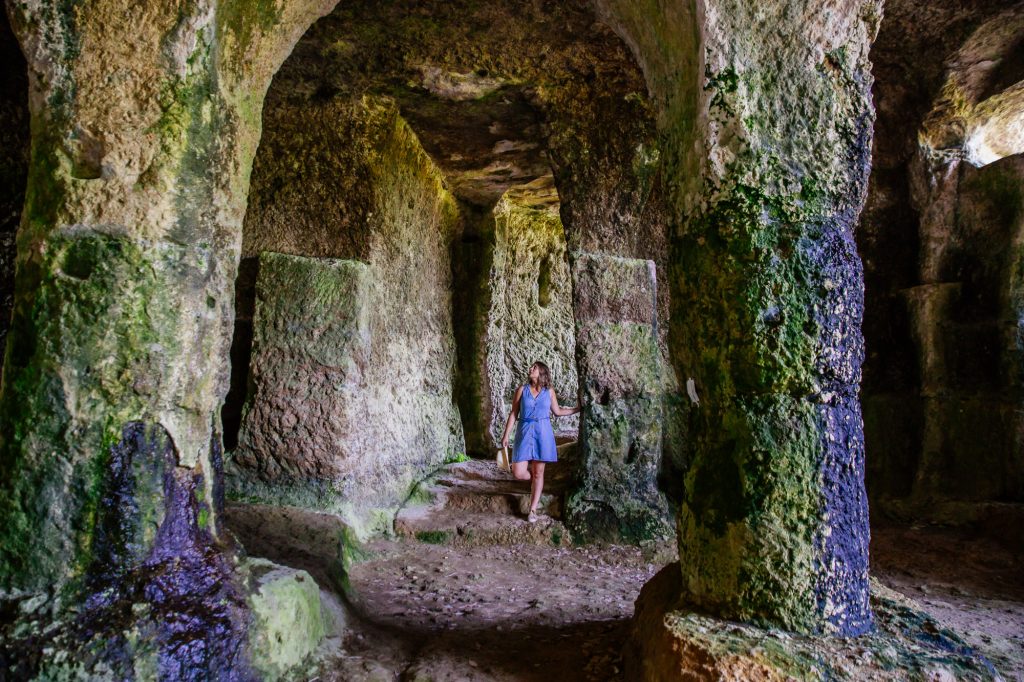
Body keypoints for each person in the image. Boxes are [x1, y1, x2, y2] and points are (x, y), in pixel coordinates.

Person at [500, 361, 581, 523]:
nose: (530, 369)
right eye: (531, 367)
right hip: (524, 431)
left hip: (543, 433)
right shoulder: (522, 390)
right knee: (517, 472)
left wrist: (577, 409)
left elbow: (557, 412)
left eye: (534, 367)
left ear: (542, 371)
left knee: (539, 472)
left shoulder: (549, 391)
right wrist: (506, 435)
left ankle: (532, 510)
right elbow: (514, 414)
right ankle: (536, 482)